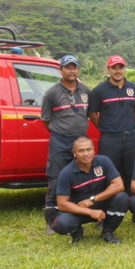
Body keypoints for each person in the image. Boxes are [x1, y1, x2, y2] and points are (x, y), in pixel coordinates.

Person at [41, 54, 91, 235]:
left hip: (81, 141)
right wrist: (60, 132)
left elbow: (90, 114)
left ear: (78, 69)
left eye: (74, 67)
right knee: (56, 179)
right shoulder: (52, 93)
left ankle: (80, 217)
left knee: (82, 179)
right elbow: (46, 120)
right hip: (60, 141)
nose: (71, 70)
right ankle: (51, 221)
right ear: (61, 70)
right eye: (67, 67)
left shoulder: (85, 90)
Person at [51, 136, 128, 244]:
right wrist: (90, 211)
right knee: (61, 224)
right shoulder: (66, 173)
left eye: (88, 149)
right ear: (74, 153)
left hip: (101, 206)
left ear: (93, 149)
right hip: (80, 209)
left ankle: (108, 232)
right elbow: (62, 204)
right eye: (81, 151)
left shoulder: (103, 161)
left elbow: (119, 185)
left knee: (122, 197)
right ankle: (76, 231)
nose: (86, 154)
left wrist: (93, 200)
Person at [89, 55, 135, 194]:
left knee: (133, 172)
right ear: (108, 69)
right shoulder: (99, 91)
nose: (118, 71)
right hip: (109, 139)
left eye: (120, 67)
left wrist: (126, 123)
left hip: (131, 137)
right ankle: (113, 204)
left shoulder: (134, 89)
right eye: (114, 68)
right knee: (110, 173)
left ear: (124, 69)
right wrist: (106, 126)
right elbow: (93, 113)